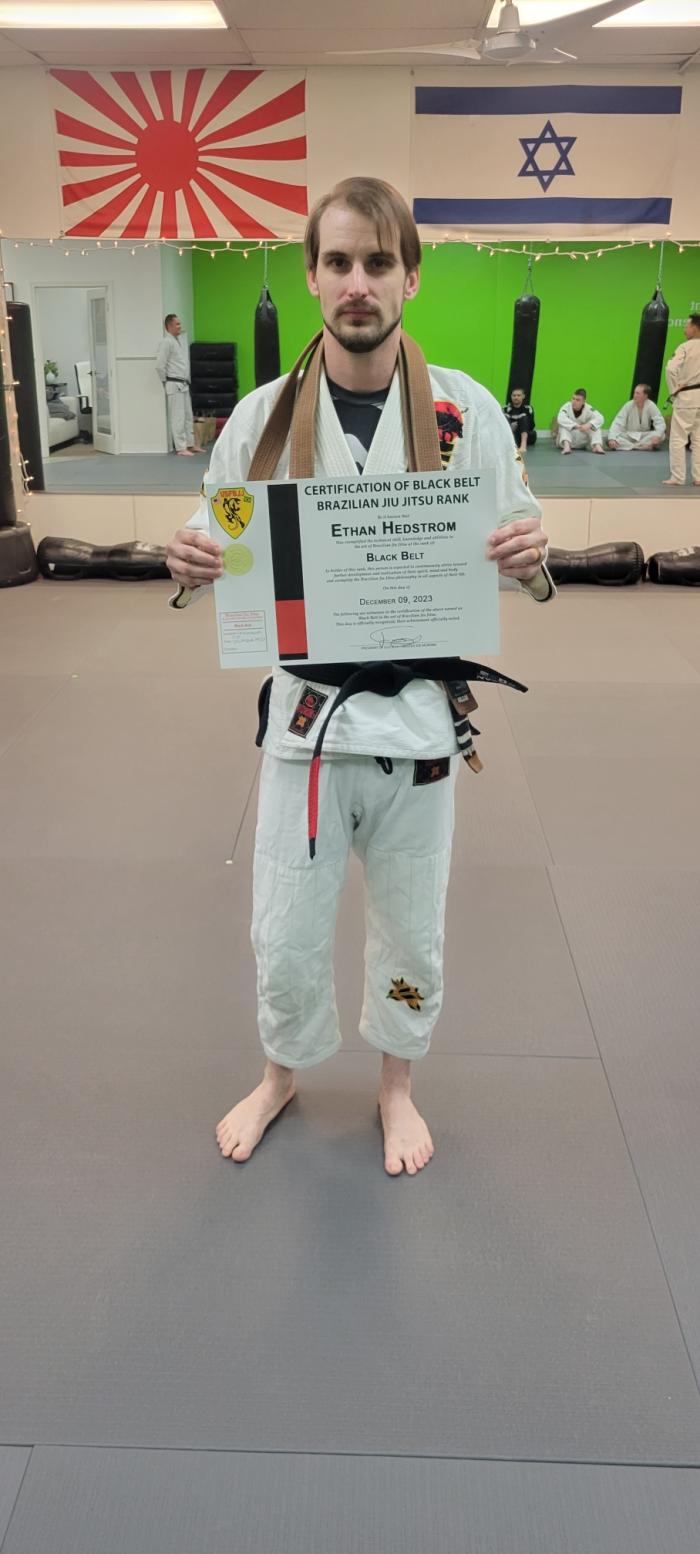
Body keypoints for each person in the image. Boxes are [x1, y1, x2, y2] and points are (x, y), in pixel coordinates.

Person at [166, 177, 553, 1177]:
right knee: (285, 927)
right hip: (306, 724)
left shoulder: (464, 410)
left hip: (419, 726)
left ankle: (396, 1084)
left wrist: (531, 557)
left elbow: (523, 539)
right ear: (310, 275)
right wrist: (190, 562)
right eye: (338, 261)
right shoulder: (260, 419)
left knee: (412, 929)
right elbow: (217, 537)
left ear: (410, 277)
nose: (357, 283)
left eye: (379, 262)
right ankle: (281, 1074)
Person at [663, 314, 700, 487]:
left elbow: (670, 369)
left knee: (678, 438)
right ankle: (698, 477)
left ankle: (678, 477)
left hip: (687, 397)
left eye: (687, 326)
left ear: (695, 328)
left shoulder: (685, 347)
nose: (685, 329)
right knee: (699, 439)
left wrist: (675, 388)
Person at [155, 314, 197, 457]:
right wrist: (165, 381)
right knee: (178, 417)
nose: (180, 326)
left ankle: (190, 444)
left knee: (188, 416)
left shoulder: (177, 341)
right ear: (169, 326)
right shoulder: (166, 342)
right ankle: (180, 447)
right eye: (177, 324)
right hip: (173, 383)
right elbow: (159, 365)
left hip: (183, 383)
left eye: (179, 324)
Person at [607, 383, 665, 452]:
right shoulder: (628, 405)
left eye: (638, 393)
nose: (634, 395)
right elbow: (618, 422)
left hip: (643, 436)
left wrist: (657, 436)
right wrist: (612, 438)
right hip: (629, 435)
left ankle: (630, 446)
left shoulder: (651, 405)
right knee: (613, 437)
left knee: (662, 435)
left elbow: (660, 422)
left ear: (645, 396)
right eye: (634, 393)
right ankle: (640, 446)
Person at [556, 389, 605, 454]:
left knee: (595, 427)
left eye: (578, 400)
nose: (574, 401)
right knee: (563, 426)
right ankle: (567, 447)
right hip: (569, 438)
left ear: (583, 401)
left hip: (582, 440)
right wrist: (576, 426)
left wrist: (589, 425)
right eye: (573, 398)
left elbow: (600, 418)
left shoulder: (589, 408)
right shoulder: (566, 406)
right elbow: (560, 418)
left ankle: (597, 446)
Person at [503, 386, 536, 452]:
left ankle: (523, 446)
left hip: (524, 434)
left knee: (524, 418)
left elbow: (531, 425)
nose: (516, 397)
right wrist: (511, 427)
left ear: (523, 396)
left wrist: (518, 424)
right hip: (510, 433)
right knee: (506, 418)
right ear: (511, 397)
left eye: (518, 395)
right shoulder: (505, 409)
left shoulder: (528, 408)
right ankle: (512, 445)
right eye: (514, 395)